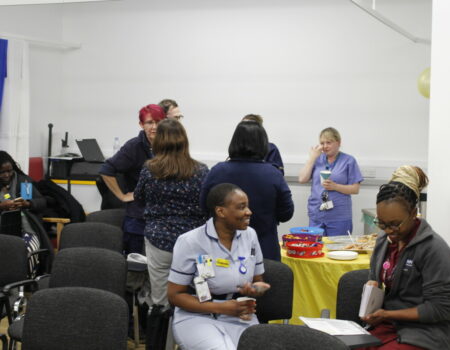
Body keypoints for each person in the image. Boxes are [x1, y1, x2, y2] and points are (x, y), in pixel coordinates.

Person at [168, 183, 271, 350]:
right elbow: (175, 295)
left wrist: (254, 289)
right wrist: (222, 308)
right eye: (241, 207)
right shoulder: (190, 241)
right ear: (220, 211)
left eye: (248, 206)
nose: (249, 212)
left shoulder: (250, 235)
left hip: (240, 315)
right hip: (197, 316)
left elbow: (259, 281)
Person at [360, 165, 450, 350]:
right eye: (381, 223)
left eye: (395, 224)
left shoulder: (433, 249)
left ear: (413, 213)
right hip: (388, 325)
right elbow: (375, 278)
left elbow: (440, 309)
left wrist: (388, 315)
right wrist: (371, 286)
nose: (388, 231)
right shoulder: (384, 241)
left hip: (425, 333)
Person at [134, 118, 209, 309]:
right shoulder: (200, 171)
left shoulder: (150, 169)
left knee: (160, 300)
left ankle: (160, 337)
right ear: (184, 141)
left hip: (159, 240)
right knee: (197, 296)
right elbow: (208, 203)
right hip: (193, 241)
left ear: (158, 141)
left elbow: (139, 197)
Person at [200, 121, 294, 261]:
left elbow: (203, 206)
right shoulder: (273, 174)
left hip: (221, 249)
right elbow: (286, 213)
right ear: (263, 144)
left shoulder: (217, 171)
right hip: (263, 249)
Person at [99, 104, 166, 255]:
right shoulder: (133, 146)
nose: (154, 127)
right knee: (135, 267)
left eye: (158, 122)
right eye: (149, 123)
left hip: (162, 217)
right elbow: (106, 170)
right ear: (141, 125)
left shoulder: (169, 145)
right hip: (138, 218)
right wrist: (121, 196)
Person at [298, 127, 363, 236]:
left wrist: (336, 186)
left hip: (339, 217)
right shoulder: (317, 159)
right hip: (317, 215)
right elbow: (302, 179)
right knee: (316, 250)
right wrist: (312, 158)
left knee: (338, 251)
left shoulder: (349, 160)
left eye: (329, 142)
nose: (325, 146)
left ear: (338, 143)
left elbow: (355, 189)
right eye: (322, 143)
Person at [0, 150, 48, 275]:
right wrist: (1, 206)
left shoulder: (23, 182)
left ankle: (24, 285)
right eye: (2, 172)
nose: (7, 175)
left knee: (27, 252)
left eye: (9, 171)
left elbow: (42, 202)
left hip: (26, 230)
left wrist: (28, 204)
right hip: (3, 232)